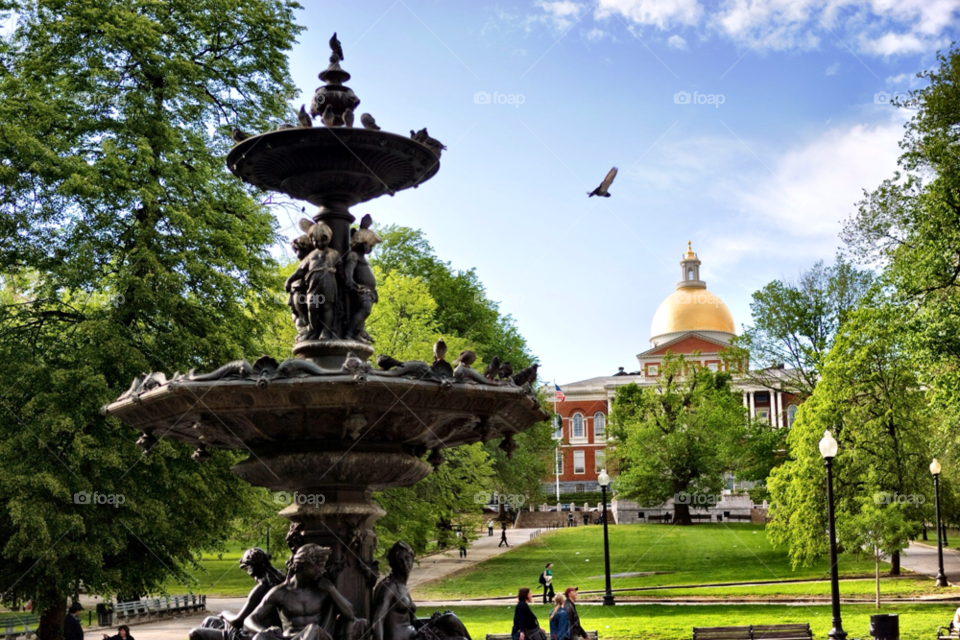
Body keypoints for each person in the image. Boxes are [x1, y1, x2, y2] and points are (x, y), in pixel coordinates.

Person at [244, 543, 357, 640]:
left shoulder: (324, 590)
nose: (322, 571)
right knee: (260, 637)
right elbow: (250, 619)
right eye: (319, 566)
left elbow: (350, 615)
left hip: (317, 637)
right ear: (304, 566)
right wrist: (264, 631)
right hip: (289, 638)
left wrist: (332, 590)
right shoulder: (280, 592)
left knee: (313, 629)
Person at [372, 541, 470, 640]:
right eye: (400, 560)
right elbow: (377, 620)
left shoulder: (401, 586)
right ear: (393, 563)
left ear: (412, 559)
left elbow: (412, 621)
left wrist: (435, 621)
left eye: (407, 559)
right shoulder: (389, 586)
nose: (405, 564)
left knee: (450, 619)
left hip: (415, 634)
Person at [190, 547, 285, 640]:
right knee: (210, 620)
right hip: (261, 630)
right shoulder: (281, 579)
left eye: (246, 569)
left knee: (196, 632)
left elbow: (238, 621)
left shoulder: (262, 588)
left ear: (251, 569)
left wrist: (225, 613)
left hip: (249, 634)